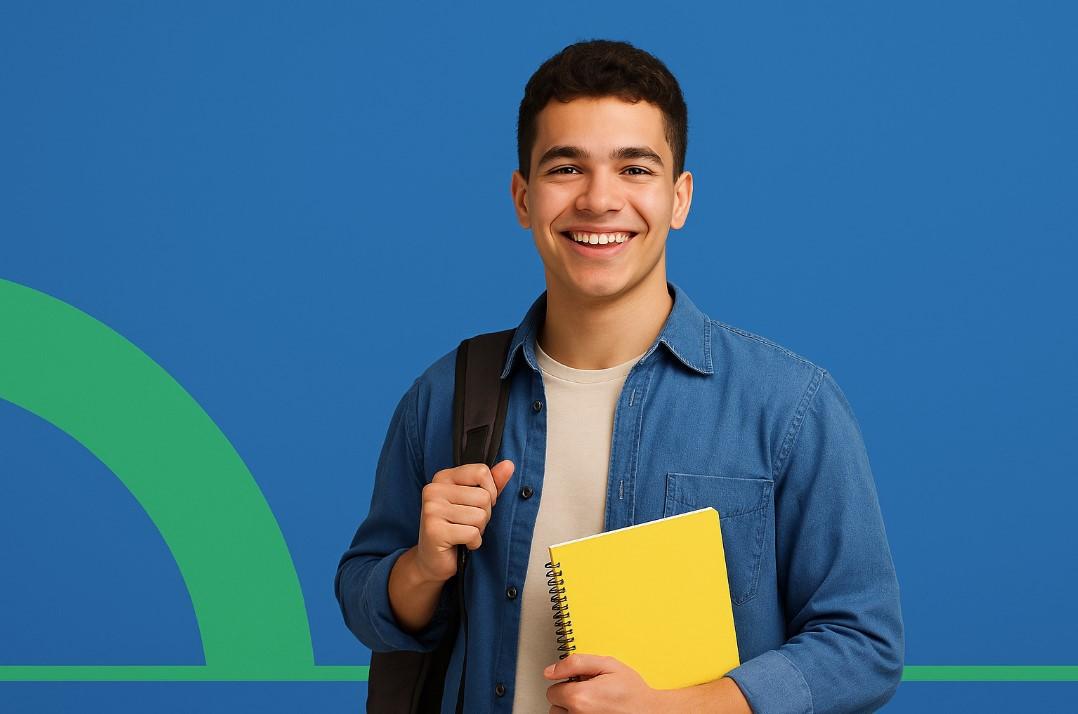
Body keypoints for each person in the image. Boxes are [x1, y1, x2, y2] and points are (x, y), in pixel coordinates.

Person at [335, 39, 903, 713]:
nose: (600, 199)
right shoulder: (447, 395)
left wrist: (680, 707)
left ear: (679, 198)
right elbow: (365, 600)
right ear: (522, 198)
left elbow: (863, 645)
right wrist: (423, 568)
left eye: (634, 168)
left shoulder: (788, 405)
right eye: (566, 168)